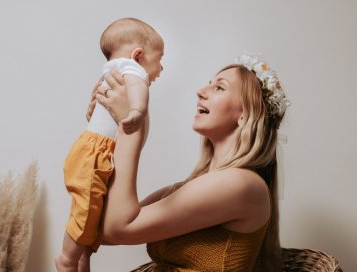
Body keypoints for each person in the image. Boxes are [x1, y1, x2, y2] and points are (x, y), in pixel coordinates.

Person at [91, 53, 289, 271]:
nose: (200, 92)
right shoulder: (188, 187)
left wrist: (130, 129)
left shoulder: (243, 184)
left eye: (219, 88)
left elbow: (117, 228)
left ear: (245, 115)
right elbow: (99, 230)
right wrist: (112, 120)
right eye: (209, 84)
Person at [56, 18, 164, 272]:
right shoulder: (132, 71)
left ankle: (80, 259)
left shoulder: (110, 71)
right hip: (96, 152)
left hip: (91, 150)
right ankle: (66, 259)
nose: (162, 68)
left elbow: (94, 105)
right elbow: (138, 89)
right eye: (160, 59)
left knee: (92, 216)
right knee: (85, 214)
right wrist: (137, 110)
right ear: (138, 56)